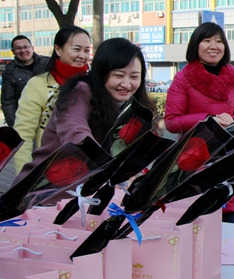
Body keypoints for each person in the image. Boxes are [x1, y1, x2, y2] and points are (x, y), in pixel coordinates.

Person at [13, 38, 155, 184]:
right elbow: (75, 131)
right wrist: (108, 167)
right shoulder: (79, 92)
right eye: (118, 75)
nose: (126, 84)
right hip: (46, 187)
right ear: (101, 72)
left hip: (91, 185)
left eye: (134, 77)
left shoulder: (134, 106)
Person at [164, 22, 234, 223]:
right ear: (196, 45)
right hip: (194, 161)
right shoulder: (183, 78)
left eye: (219, 41)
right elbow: (171, 122)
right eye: (206, 40)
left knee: (231, 224)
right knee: (195, 224)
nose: (213, 46)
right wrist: (209, 120)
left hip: (227, 160)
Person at [13, 27, 91, 174]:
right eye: (76, 49)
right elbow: (22, 135)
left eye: (87, 50)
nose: (82, 55)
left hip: (86, 170)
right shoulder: (38, 84)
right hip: (49, 172)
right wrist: (25, 178)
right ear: (58, 49)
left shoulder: (94, 84)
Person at [1, 35, 50, 127]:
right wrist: (15, 126)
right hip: (26, 120)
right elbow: (8, 101)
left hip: (50, 118)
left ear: (32, 48)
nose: (23, 50)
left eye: (25, 47)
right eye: (18, 48)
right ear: (13, 51)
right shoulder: (10, 71)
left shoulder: (48, 63)